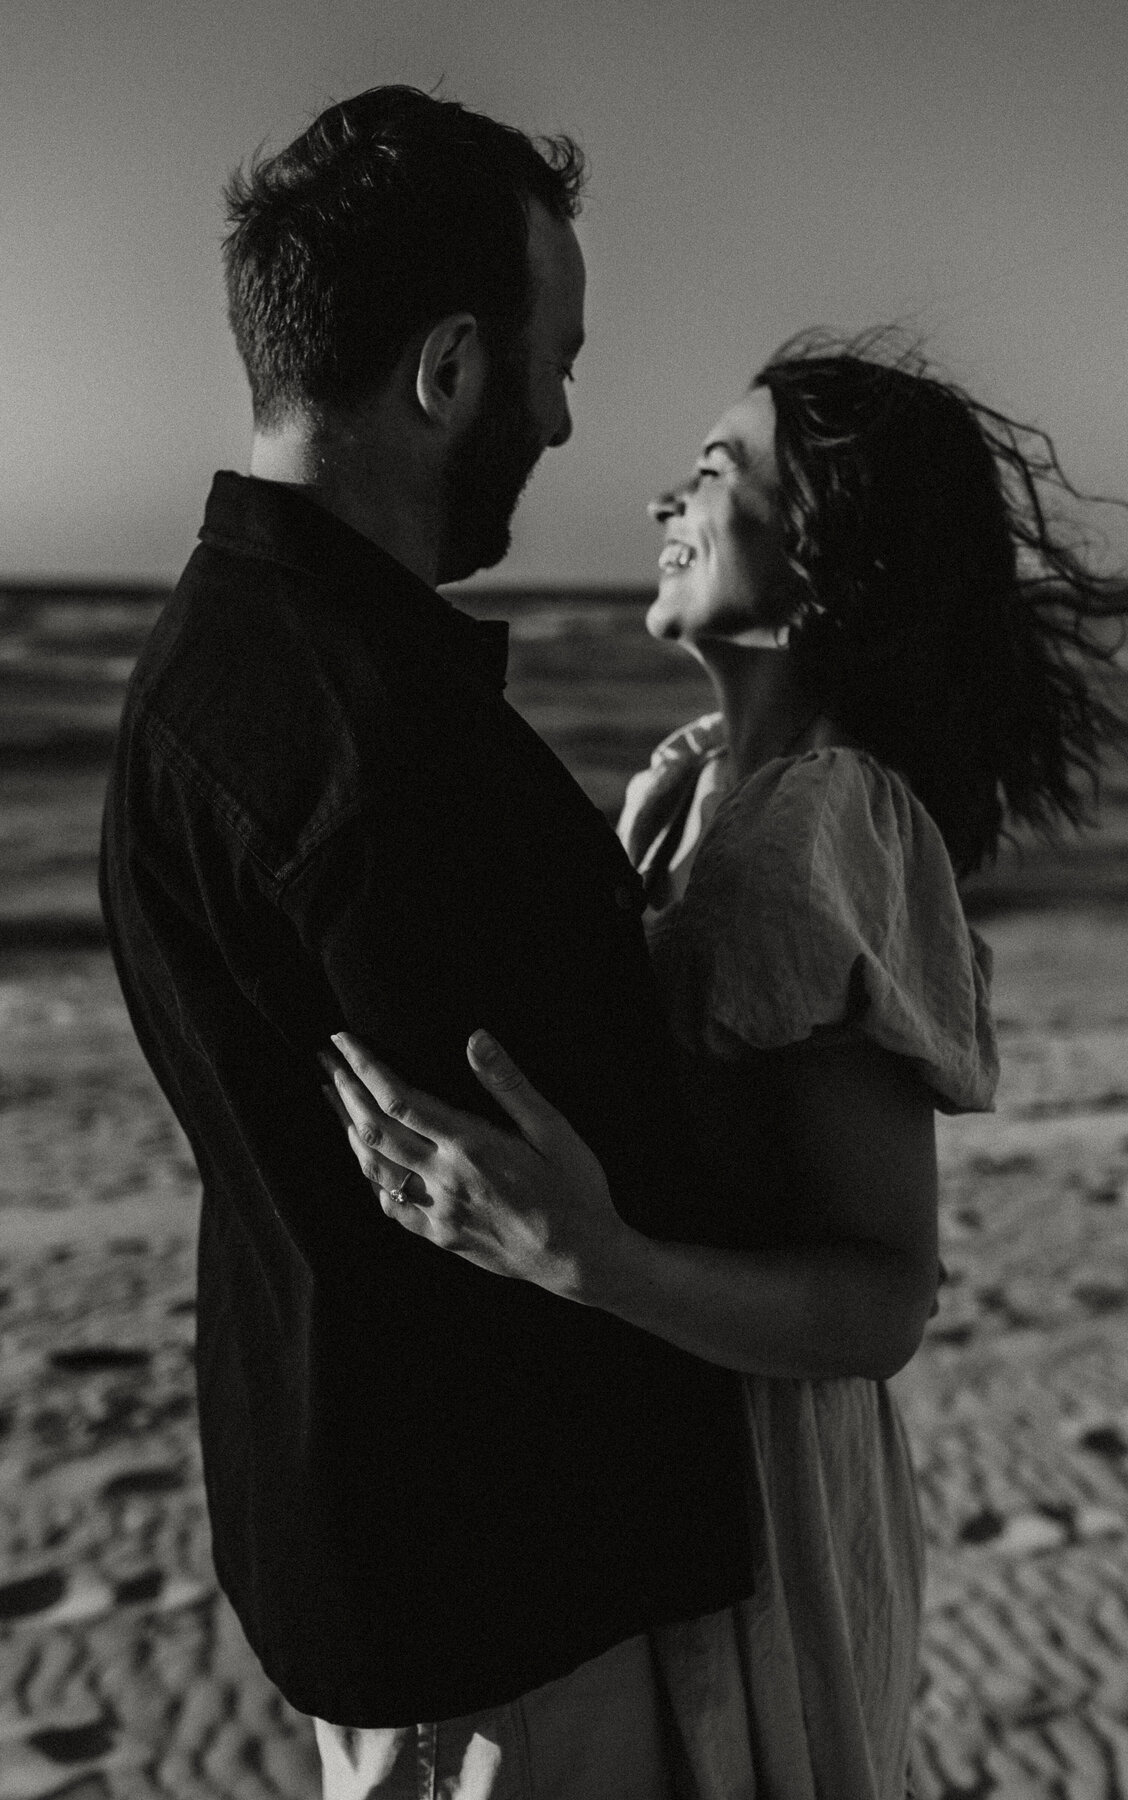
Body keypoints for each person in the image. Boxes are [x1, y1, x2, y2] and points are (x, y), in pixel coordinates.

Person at [326, 335, 1128, 1798]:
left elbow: (884, 1292)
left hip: (763, 1500)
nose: (666, 498)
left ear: (828, 560)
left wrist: (591, 1257)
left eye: (719, 470)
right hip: (671, 1459)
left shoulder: (822, 828)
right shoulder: (697, 783)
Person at [100, 85, 757, 1800]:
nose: (561, 413)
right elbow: (614, 1190)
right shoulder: (384, 756)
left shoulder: (203, 662)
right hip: (500, 1615)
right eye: (557, 359)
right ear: (447, 371)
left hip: (360, 1540)